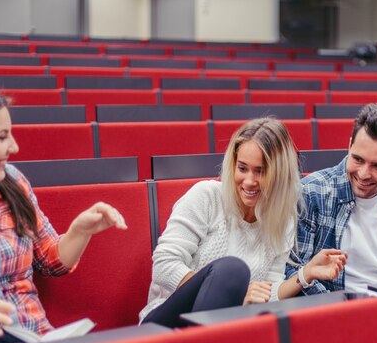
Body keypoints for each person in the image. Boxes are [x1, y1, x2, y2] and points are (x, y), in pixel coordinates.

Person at [0, 77, 128, 343]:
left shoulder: (13, 183)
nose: (14, 147)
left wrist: (80, 231)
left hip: (34, 342)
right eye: (2, 137)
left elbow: (52, 261)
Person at [139, 118, 346, 328]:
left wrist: (306, 273)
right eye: (243, 168)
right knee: (232, 270)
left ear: (280, 174)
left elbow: (267, 292)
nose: (249, 181)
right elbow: (164, 266)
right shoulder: (206, 196)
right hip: (165, 325)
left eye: (261, 171)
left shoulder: (282, 218)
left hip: (226, 327)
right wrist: (233, 294)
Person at [285, 103, 377, 295]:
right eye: (357, 159)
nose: (364, 174)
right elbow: (294, 272)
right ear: (349, 146)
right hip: (335, 313)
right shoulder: (312, 192)